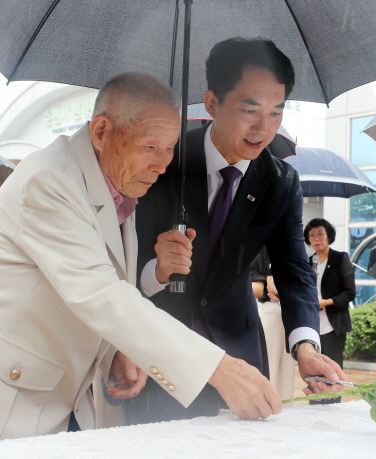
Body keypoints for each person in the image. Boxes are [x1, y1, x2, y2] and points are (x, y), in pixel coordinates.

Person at [0, 72, 286, 440]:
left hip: (62, 395)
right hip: (16, 400)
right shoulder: (50, 181)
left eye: (170, 148)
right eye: (151, 147)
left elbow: (101, 286)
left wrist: (112, 351)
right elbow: (101, 294)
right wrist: (218, 367)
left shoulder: (119, 186)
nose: (163, 164)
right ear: (101, 132)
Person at [126, 37, 346, 424]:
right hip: (161, 354)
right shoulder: (165, 162)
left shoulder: (280, 181)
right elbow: (126, 265)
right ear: (212, 103)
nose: (264, 127)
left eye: (277, 112)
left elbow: (294, 270)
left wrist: (306, 346)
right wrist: (156, 270)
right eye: (250, 109)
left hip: (239, 350)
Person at [304, 218, 356, 404]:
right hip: (311, 327)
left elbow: (350, 292)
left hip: (333, 325)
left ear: (329, 236)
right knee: (314, 373)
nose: (316, 238)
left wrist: (325, 302)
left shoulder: (340, 258)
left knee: (333, 373)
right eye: (312, 235)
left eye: (320, 234)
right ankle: (315, 406)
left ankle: (334, 407)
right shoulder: (307, 262)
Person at [251, 247, 296, 400]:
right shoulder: (262, 248)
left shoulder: (291, 248)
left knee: (287, 368)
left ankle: (284, 407)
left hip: (290, 312)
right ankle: (267, 403)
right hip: (271, 310)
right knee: (269, 362)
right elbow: (261, 285)